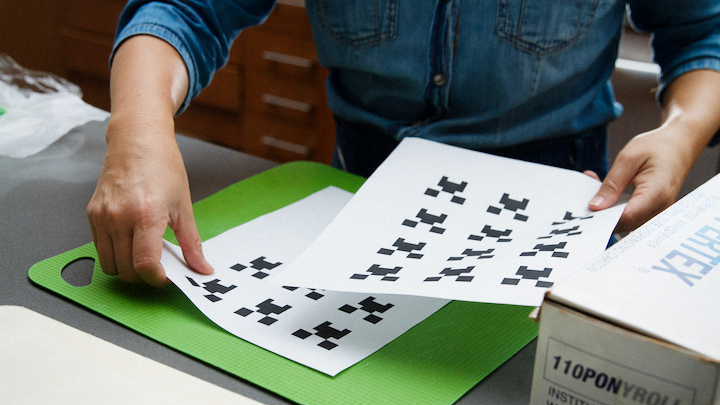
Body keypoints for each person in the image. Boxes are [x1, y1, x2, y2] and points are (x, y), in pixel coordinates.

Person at [87, 0, 720, 287]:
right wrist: (137, 131)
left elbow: (703, 33)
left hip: (559, 206)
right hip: (353, 192)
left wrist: (681, 133)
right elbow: (183, 9)